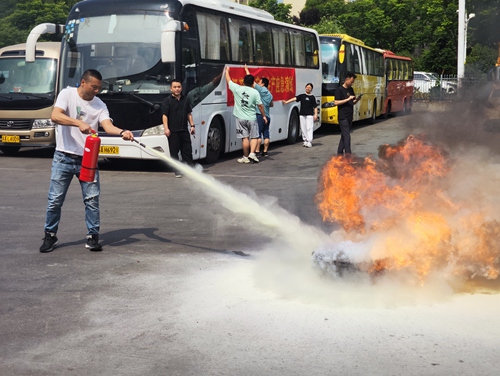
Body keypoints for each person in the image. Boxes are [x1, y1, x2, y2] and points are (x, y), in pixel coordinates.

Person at [40, 69, 134, 253]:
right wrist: (79, 123)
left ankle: (93, 236)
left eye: (99, 88)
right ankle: (50, 235)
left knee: (92, 200)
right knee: (55, 200)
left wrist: (122, 132)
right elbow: (55, 115)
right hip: (63, 157)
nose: (96, 91)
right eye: (94, 87)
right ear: (83, 82)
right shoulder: (67, 94)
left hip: (88, 159)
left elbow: (107, 125)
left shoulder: (100, 105)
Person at [225, 67, 267, 164]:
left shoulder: (237, 88)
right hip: (252, 118)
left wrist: (227, 71)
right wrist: (263, 115)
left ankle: (245, 157)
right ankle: (252, 153)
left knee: (245, 138)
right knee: (254, 136)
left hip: (240, 118)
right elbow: (260, 106)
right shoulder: (255, 92)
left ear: (243, 81)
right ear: (253, 83)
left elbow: (228, 80)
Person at [162, 79, 195, 178]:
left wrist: (192, 126)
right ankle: (177, 170)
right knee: (174, 152)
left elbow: (189, 114)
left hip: (184, 130)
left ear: (182, 88)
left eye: (179, 87)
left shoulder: (186, 99)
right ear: (171, 88)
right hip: (173, 131)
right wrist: (166, 128)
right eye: (175, 87)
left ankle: (190, 170)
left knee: (187, 151)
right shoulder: (167, 101)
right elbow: (164, 116)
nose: (177, 89)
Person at [244, 65, 273, 157]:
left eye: (260, 82)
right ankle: (265, 151)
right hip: (267, 115)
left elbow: (252, 82)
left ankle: (256, 151)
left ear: (263, 84)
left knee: (258, 134)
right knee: (266, 134)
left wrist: (246, 70)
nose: (259, 83)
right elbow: (271, 104)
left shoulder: (262, 90)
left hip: (260, 115)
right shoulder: (270, 94)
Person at [282, 83, 318, 148]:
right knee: (303, 128)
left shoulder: (312, 97)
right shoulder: (302, 95)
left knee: (309, 128)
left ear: (311, 89)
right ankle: (305, 141)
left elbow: (315, 107)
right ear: (305, 87)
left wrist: (315, 114)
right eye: (307, 87)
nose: (308, 88)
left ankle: (309, 141)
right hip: (302, 114)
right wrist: (286, 102)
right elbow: (294, 99)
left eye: (309, 87)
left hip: (309, 115)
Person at [334, 72, 360, 156]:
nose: (352, 83)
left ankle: (339, 154)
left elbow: (352, 102)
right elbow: (336, 102)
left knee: (344, 136)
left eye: (353, 82)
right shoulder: (339, 90)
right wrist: (348, 98)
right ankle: (348, 156)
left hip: (349, 116)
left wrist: (357, 99)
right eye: (351, 81)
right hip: (343, 117)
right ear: (346, 79)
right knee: (347, 137)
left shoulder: (351, 89)